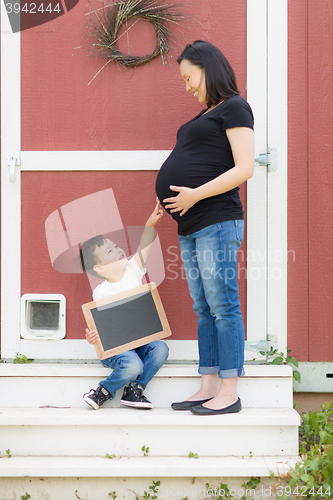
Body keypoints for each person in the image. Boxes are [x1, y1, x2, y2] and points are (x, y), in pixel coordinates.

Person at [155, 40, 255, 416]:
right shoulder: (206, 115)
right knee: (203, 307)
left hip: (216, 219)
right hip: (192, 224)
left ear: (207, 67)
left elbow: (244, 168)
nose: (187, 87)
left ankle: (229, 391)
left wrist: (194, 194)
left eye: (188, 77)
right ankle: (209, 384)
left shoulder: (235, 107)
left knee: (223, 303)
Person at [80, 201, 169, 410]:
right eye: (110, 251)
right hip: (118, 351)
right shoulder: (100, 292)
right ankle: (103, 391)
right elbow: (100, 326)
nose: (118, 250)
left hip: (140, 342)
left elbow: (144, 246)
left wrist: (150, 224)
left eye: (116, 246)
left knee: (161, 348)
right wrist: (91, 336)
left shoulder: (133, 271)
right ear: (100, 268)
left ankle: (135, 389)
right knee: (133, 364)